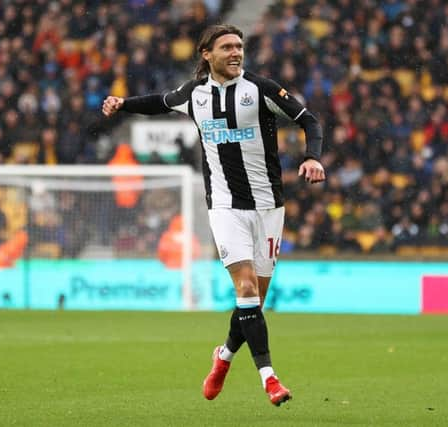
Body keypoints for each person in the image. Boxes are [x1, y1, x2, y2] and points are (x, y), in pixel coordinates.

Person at [102, 24, 325, 407]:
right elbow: (159, 101)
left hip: (269, 207)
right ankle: (270, 379)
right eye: (227, 47)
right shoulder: (195, 94)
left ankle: (222, 356)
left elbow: (310, 120)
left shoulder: (260, 89)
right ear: (207, 54)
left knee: (253, 303)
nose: (236, 52)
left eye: (239, 46)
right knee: (247, 291)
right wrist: (123, 104)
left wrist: (312, 156)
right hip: (224, 207)